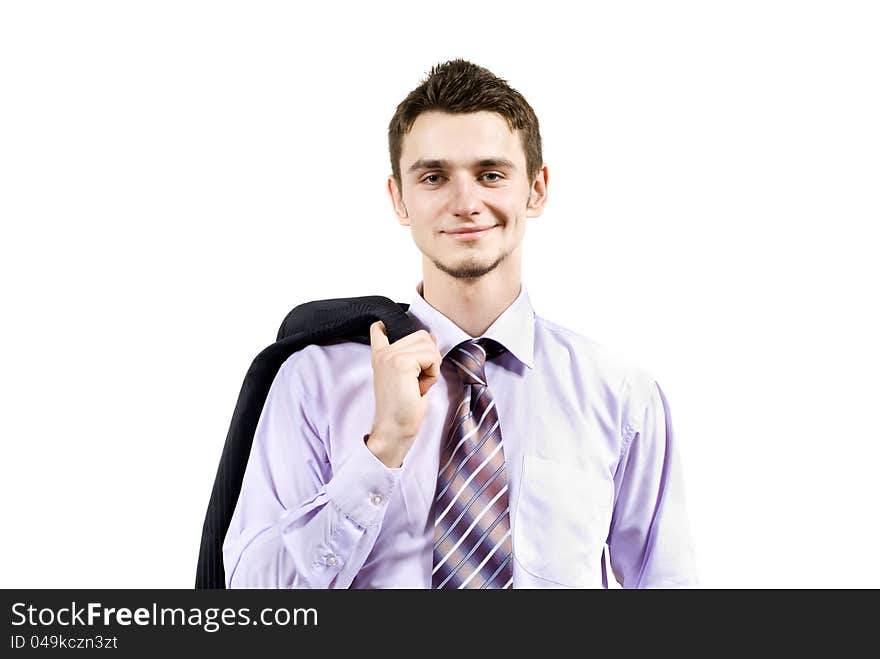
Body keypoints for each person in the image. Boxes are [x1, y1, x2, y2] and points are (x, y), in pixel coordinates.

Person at [222, 58, 698, 588]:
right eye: (434, 177)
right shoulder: (313, 380)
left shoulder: (620, 394)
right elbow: (251, 596)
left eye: (491, 174)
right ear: (399, 199)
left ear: (536, 189)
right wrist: (382, 448)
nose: (466, 203)